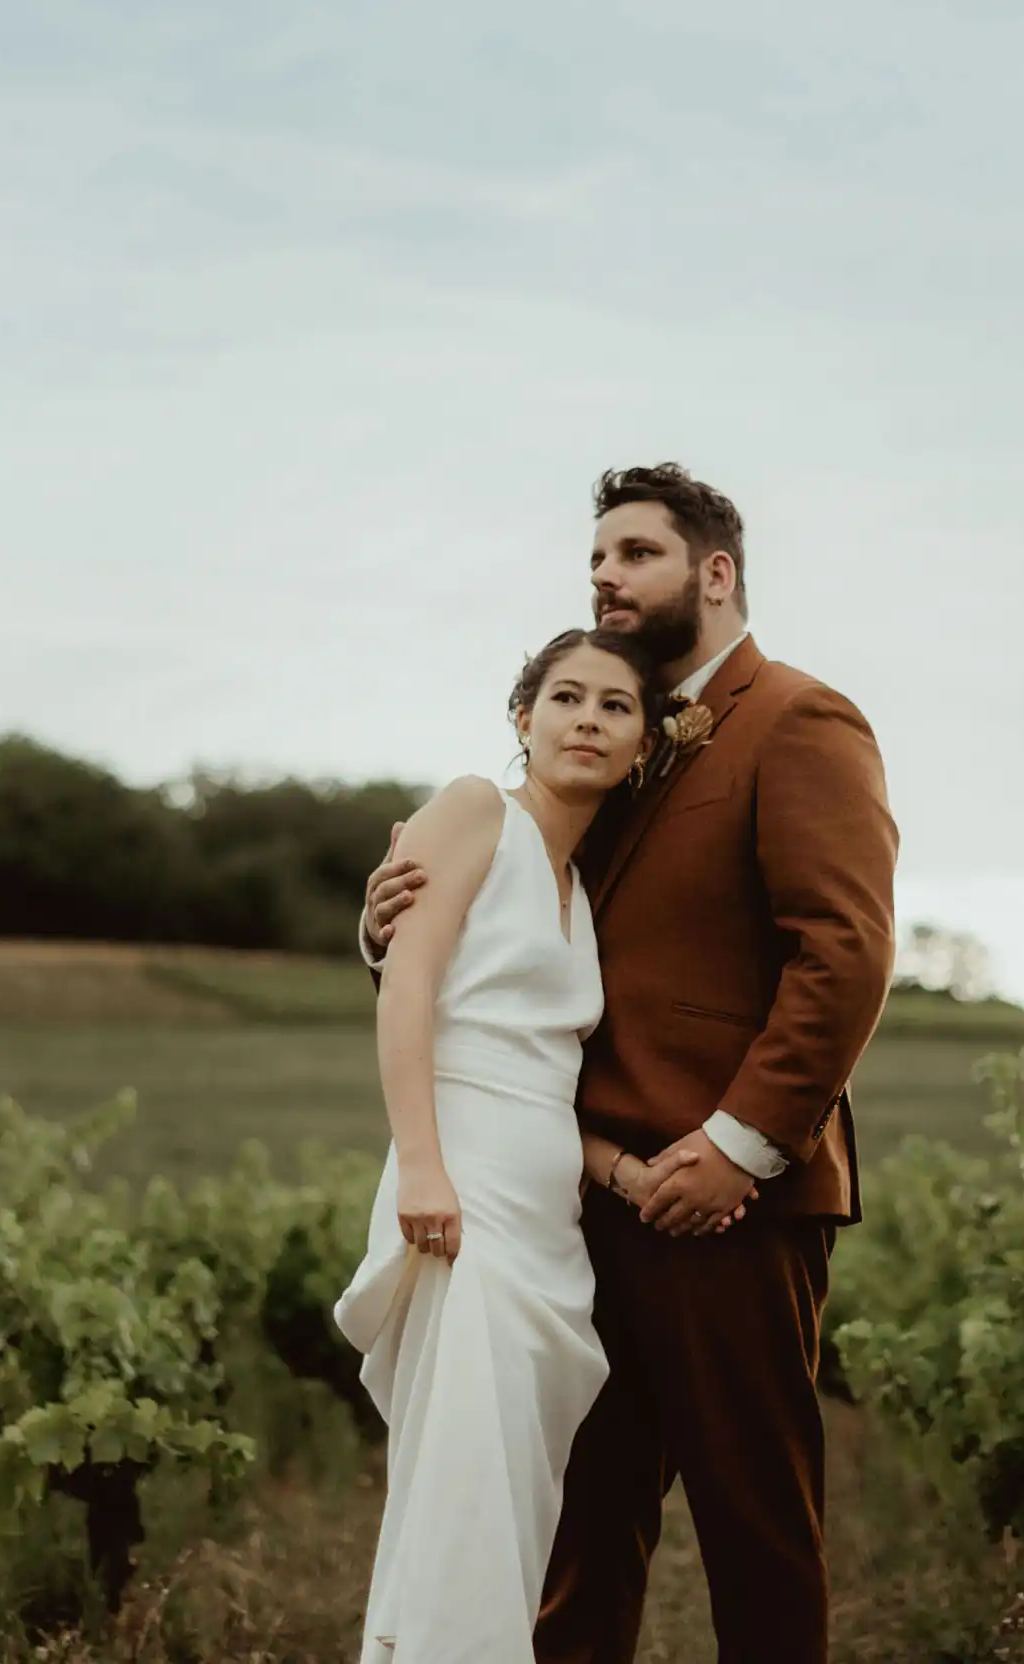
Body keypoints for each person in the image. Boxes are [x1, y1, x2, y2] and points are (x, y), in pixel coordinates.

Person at [359, 464, 899, 1664]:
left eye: (635, 554)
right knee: (579, 1527)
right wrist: (388, 920)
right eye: (595, 559)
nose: (605, 577)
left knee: (754, 1523)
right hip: (572, 1196)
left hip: (731, 1205)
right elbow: (500, 922)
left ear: (714, 572)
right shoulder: (612, 734)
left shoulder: (799, 718)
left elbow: (845, 951)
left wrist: (740, 1145)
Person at [331, 625, 758, 1663]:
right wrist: (422, 1166)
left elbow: (546, 1077)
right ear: (522, 718)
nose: (587, 719)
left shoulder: (584, 881)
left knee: (516, 1504)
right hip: (461, 1200)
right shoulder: (477, 808)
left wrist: (623, 1167)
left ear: (642, 744)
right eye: (565, 696)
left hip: (547, 1226)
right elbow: (410, 994)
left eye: (615, 706)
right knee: (462, 1493)